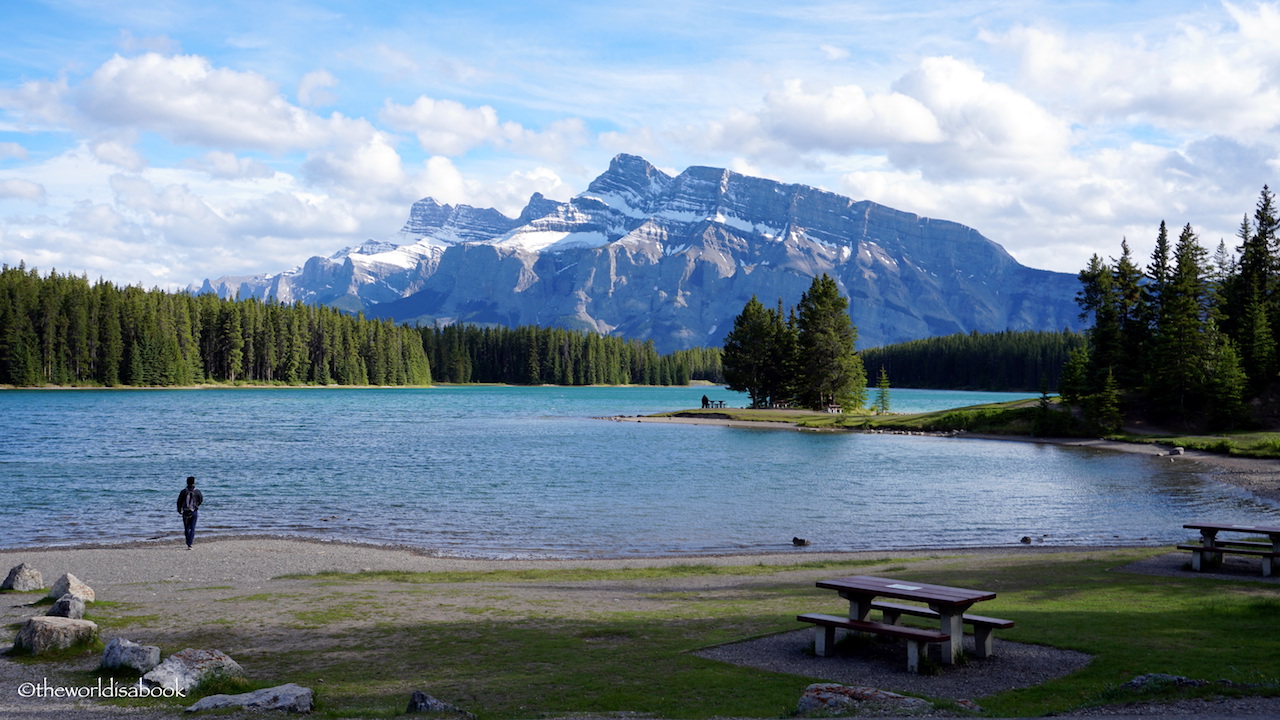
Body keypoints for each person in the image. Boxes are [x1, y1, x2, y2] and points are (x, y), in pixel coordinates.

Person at [176, 476, 203, 549]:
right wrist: (197, 505)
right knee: (192, 527)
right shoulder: (197, 491)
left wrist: (179, 509)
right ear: (194, 482)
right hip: (194, 511)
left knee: (186, 527)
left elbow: (179, 501)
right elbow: (200, 500)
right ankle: (190, 543)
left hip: (185, 511)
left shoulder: (184, 491)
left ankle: (188, 541)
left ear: (186, 482)